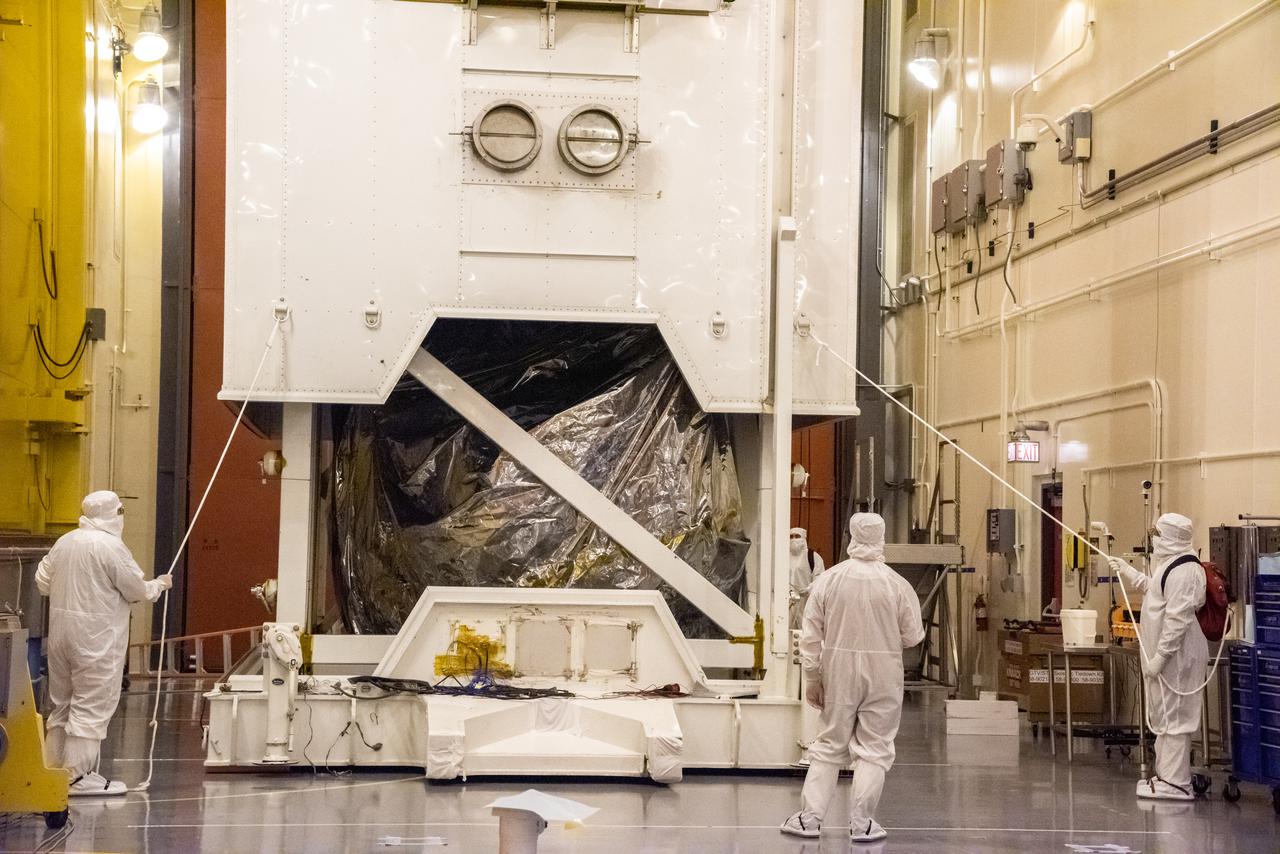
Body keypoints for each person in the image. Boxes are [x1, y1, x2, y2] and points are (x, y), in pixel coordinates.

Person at [781, 513, 925, 843]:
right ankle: (863, 824)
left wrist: (812, 677)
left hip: (838, 672)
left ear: (851, 536)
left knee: (829, 743)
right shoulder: (897, 584)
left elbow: (811, 635)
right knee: (875, 748)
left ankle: (809, 819)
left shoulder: (830, 580)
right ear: (882, 537)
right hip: (884, 673)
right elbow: (912, 636)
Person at [35, 491, 171, 796]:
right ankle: (76, 778)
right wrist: (159, 585)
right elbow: (135, 589)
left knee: (62, 705)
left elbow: (42, 582)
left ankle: (51, 772)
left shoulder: (65, 542)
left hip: (60, 637)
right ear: (114, 514)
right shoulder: (110, 547)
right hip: (95, 641)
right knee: (91, 707)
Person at [1108, 512, 1207, 801]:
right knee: (1164, 716)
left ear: (1173, 538)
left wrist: (1161, 657)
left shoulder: (1187, 571)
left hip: (1178, 658)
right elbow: (1155, 590)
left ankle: (1178, 783)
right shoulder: (1171, 566)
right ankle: (1166, 777)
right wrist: (1127, 571)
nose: (1155, 541)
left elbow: (1178, 620)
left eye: (1159, 535)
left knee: (1175, 718)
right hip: (1167, 659)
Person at [789, 527, 825, 629]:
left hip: (806, 602)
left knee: (806, 630)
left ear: (803, 538)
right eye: (791, 537)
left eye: (797, 536)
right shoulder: (782, 556)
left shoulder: (812, 556)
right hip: (787, 602)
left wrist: (809, 589)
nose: (794, 539)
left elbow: (820, 579)